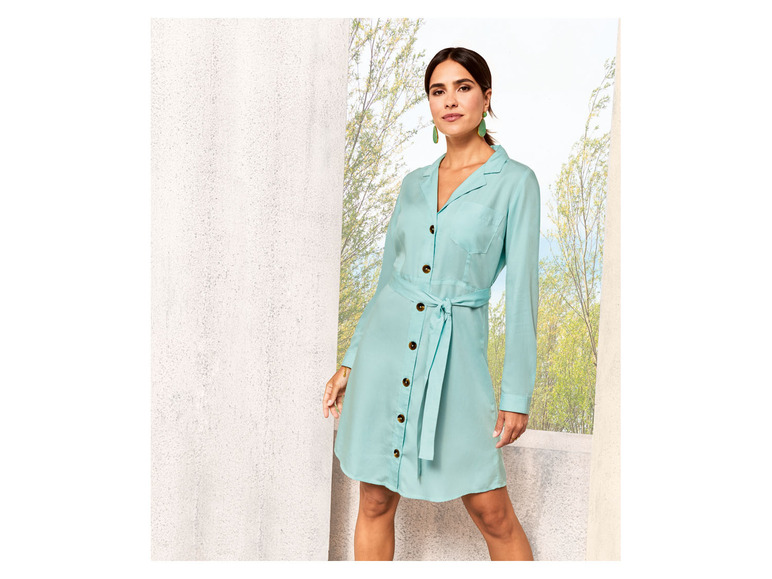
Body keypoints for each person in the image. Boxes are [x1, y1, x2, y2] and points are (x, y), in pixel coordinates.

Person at [323, 46, 540, 561]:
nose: (450, 101)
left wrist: (516, 394)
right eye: (438, 91)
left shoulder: (516, 183)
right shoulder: (413, 185)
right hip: (385, 353)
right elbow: (387, 281)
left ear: (486, 97)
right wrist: (351, 359)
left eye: (463, 87)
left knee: (492, 513)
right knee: (375, 499)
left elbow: (523, 296)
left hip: (456, 362)